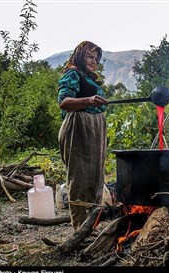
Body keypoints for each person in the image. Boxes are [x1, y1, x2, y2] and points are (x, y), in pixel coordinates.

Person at [57, 41, 108, 230]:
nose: (93, 61)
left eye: (96, 58)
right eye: (89, 56)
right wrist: (89, 100)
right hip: (78, 129)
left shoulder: (90, 79)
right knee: (80, 177)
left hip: (95, 131)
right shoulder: (73, 73)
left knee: (94, 177)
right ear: (79, 56)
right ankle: (79, 228)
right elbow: (64, 102)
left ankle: (91, 226)